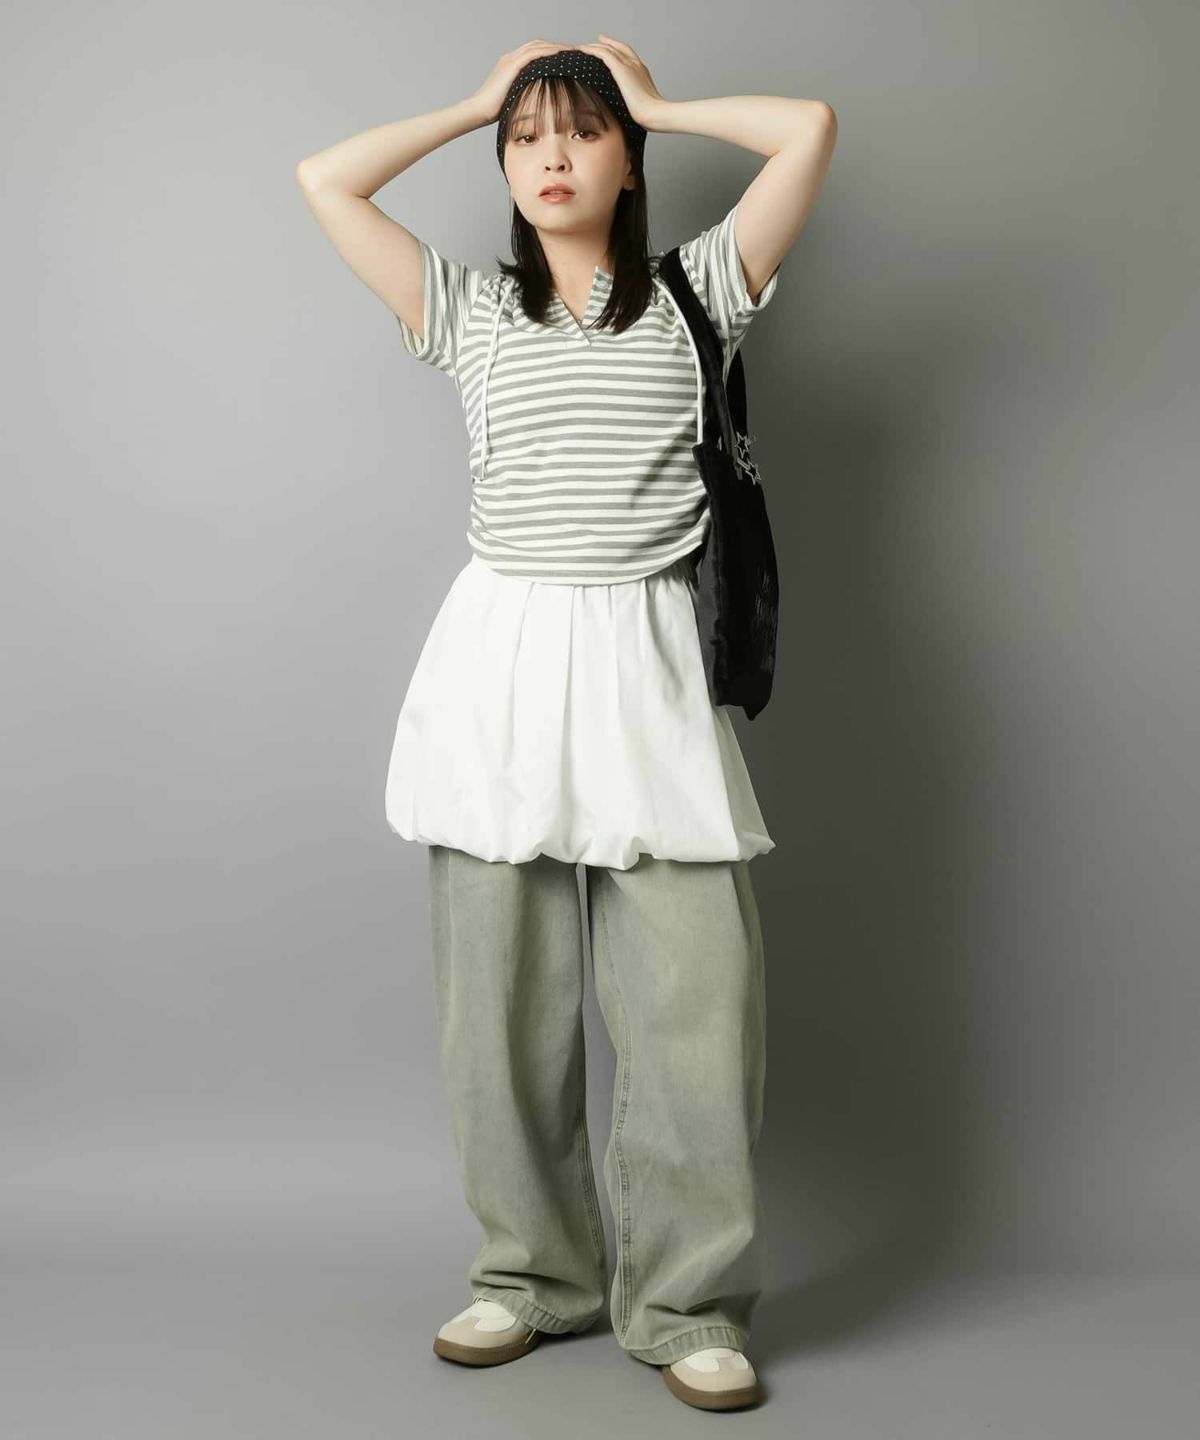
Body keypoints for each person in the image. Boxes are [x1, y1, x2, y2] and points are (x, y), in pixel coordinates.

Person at [296, 36, 837, 1413]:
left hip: (645, 666)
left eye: (582, 133)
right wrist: (481, 97)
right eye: (527, 138)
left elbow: (809, 128)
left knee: (695, 1011)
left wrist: (650, 100)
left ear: (628, 163)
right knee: (497, 1012)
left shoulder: (703, 289)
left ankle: (688, 1300)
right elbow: (326, 180)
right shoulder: (470, 309)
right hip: (501, 669)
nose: (551, 155)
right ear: (503, 163)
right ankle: (532, 1275)